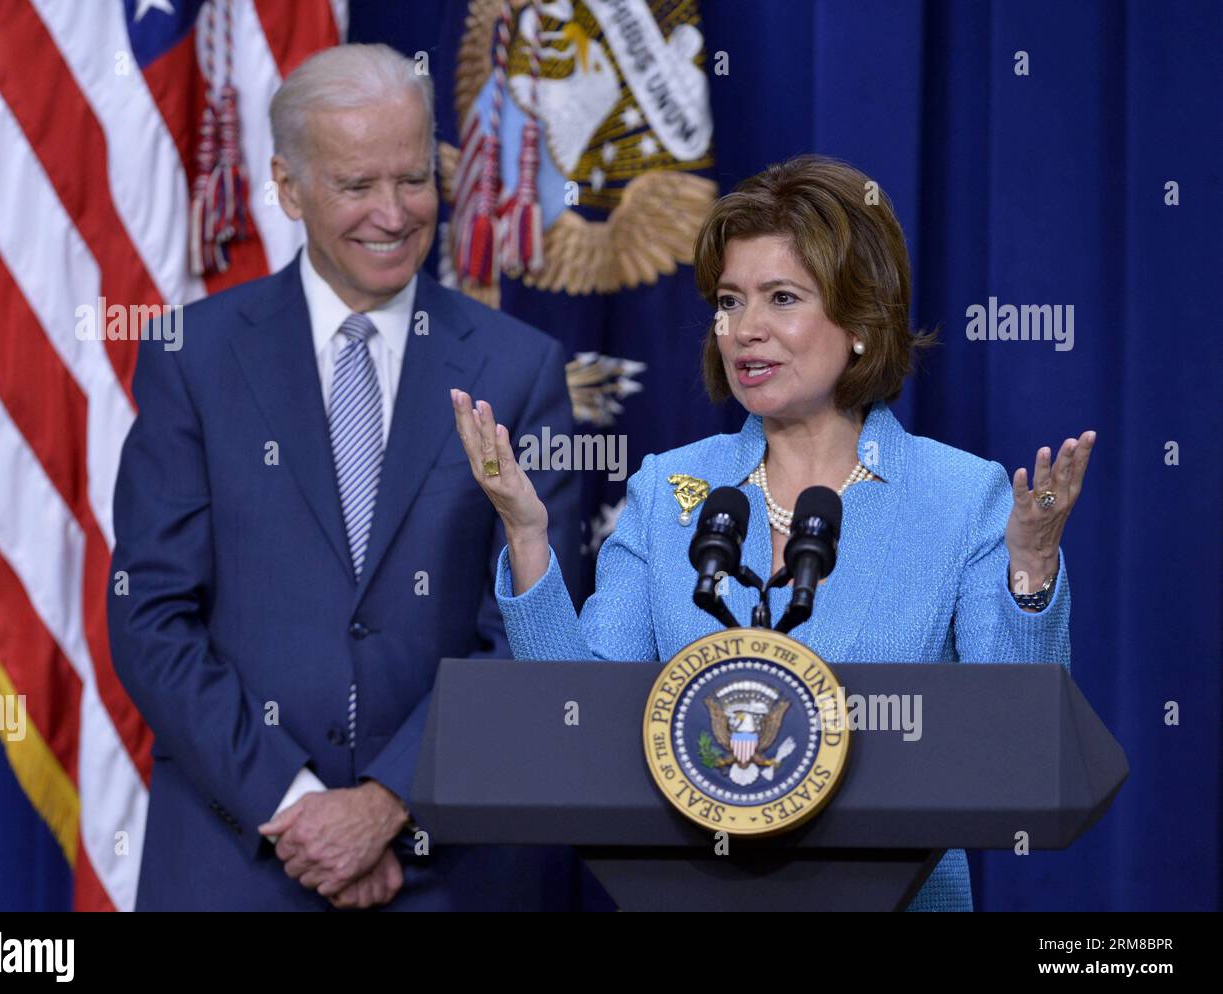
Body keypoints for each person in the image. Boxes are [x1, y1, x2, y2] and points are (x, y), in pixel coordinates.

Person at [450, 154, 1096, 912]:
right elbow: (579, 719)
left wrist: (1032, 567)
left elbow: (1014, 740)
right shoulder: (670, 490)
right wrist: (528, 538)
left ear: (860, 321)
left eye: (781, 298)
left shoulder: (960, 496)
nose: (744, 330)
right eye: (729, 301)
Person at [108, 43, 579, 910]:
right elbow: (152, 616)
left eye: (412, 180)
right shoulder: (194, 358)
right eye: (357, 186)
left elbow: (529, 631)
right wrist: (297, 809)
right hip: (237, 863)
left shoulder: (520, 369)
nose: (393, 215)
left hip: (454, 869)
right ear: (288, 189)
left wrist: (389, 803)